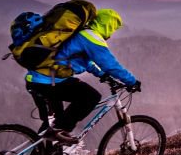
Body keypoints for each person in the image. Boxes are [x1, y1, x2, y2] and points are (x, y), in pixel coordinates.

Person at [25, 9, 141, 144]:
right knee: (91, 97)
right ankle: (59, 131)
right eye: (113, 28)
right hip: (49, 82)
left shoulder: (81, 33)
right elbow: (110, 65)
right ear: (109, 25)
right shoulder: (92, 37)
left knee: (54, 124)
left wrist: (102, 75)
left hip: (35, 80)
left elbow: (84, 60)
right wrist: (131, 81)